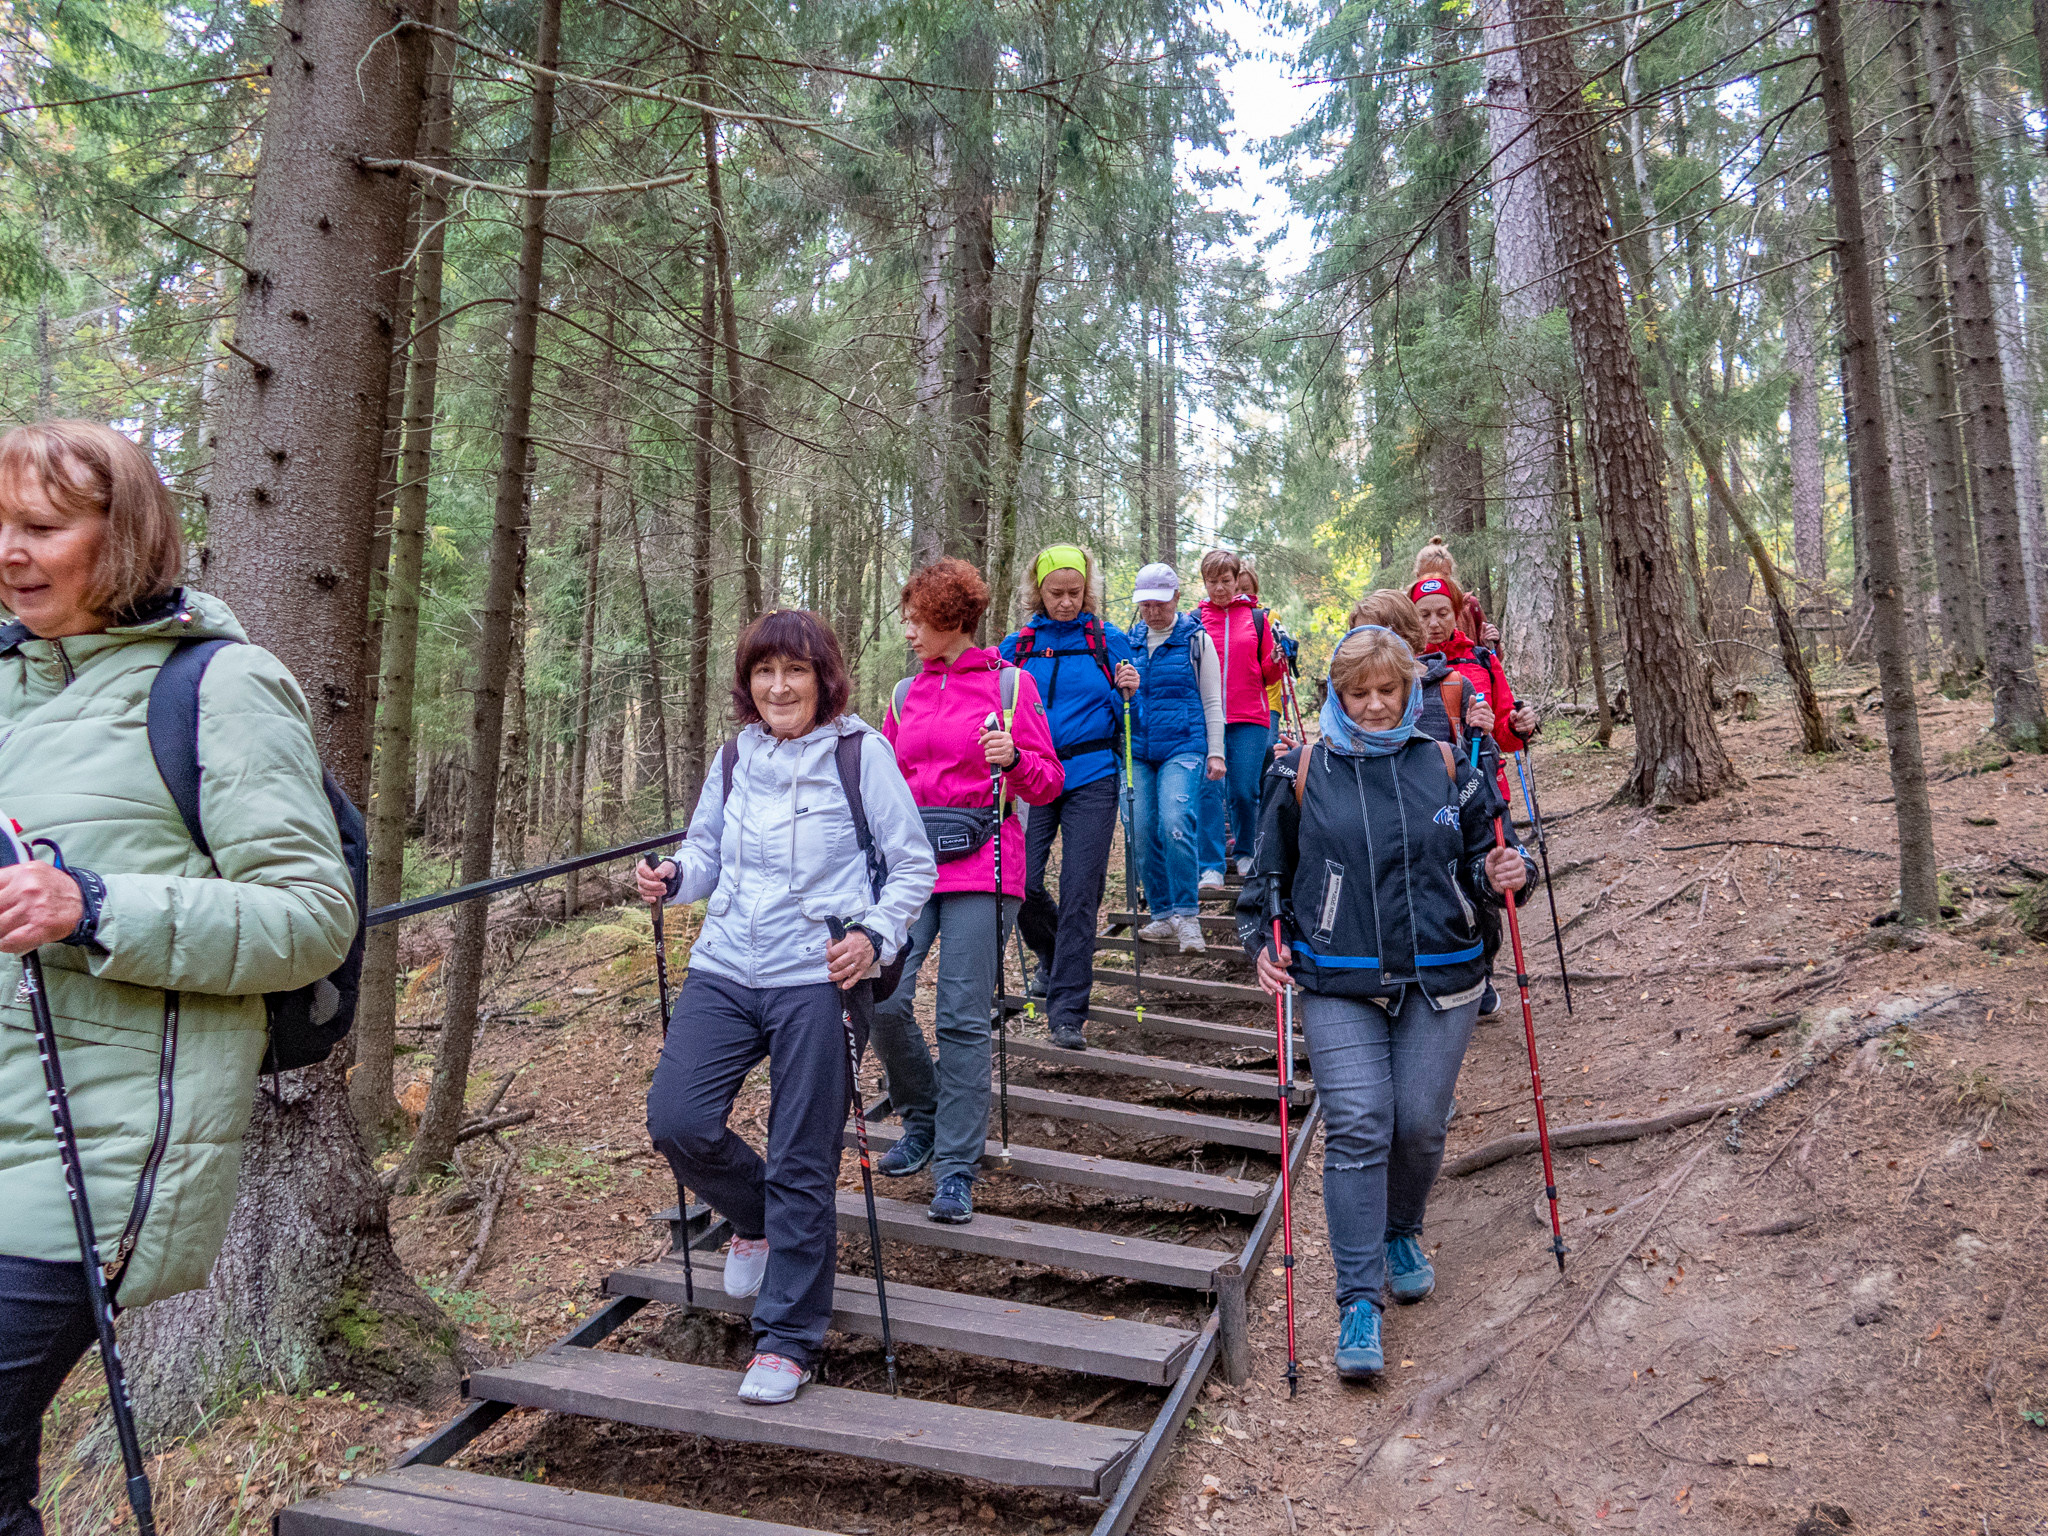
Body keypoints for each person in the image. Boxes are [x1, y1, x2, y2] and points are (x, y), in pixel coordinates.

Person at [0, 420, 359, 1527]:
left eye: (43, 529)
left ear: (125, 538)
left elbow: (312, 920)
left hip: (92, 1165)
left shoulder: (219, 686)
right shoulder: (8, 685)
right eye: (0, 525)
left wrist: (93, 905)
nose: (11, 551)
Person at [640, 609, 936, 1404]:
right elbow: (705, 851)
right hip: (727, 962)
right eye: (765, 672)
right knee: (677, 1119)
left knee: (804, 1154)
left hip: (820, 972)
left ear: (822, 679)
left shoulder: (859, 753)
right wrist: (675, 876)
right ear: (749, 683)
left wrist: (874, 935)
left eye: (795, 672)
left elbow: (913, 865)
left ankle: (787, 1339)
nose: (779, 686)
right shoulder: (734, 756)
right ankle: (757, 1218)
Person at [1237, 625, 1532, 1381]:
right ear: (1336, 695)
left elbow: (1483, 862)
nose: (1372, 705)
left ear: (1410, 692)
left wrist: (1508, 872)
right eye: (1356, 693)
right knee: (1362, 1122)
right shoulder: (1299, 771)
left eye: (1386, 691)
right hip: (1339, 977)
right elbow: (1264, 884)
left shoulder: (1448, 767)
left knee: (1421, 1122)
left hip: (1444, 972)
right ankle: (1358, 1300)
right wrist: (1264, 946)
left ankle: (1404, 1227)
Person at [872, 560, 1062, 1226]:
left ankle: (955, 1167)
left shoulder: (1010, 686)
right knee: (883, 997)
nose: (910, 634)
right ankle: (920, 1116)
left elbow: (1047, 783)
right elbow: (879, 789)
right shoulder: (903, 696)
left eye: (916, 621)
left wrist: (1014, 757)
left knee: (959, 1014)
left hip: (985, 867)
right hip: (912, 868)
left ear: (949, 619)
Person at [999, 544, 1138, 1051]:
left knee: (1081, 891)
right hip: (1035, 777)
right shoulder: (1016, 647)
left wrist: (1132, 690)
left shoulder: (1109, 640)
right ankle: (1055, 957)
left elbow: (1134, 723)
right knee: (1022, 883)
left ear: (1088, 591)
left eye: (1074, 593)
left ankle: (1067, 1012)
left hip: (1093, 775)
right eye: (1055, 593)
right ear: (1037, 591)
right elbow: (991, 708)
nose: (1064, 603)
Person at [1121, 562, 1225, 955]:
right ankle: (1161, 914)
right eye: (1145, 604)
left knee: (1176, 821)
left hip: (1184, 746)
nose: (1152, 611)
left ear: (1177, 598)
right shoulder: (1126, 644)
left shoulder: (1197, 641)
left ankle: (1188, 917)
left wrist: (1216, 752)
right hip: (1137, 751)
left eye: (1159, 603)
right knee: (1140, 829)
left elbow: (1213, 700)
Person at [1196, 549, 1285, 885]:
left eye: (1225, 580)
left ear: (1236, 581)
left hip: (1249, 716)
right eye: (1212, 581)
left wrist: (1276, 658)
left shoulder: (1256, 619)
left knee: (1245, 790)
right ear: (1204, 582)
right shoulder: (1194, 620)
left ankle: (1246, 852)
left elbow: (1269, 675)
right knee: (1209, 791)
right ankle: (1211, 865)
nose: (1219, 588)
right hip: (1206, 718)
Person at [1348, 589, 1478, 749]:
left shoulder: (1452, 687)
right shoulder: (1350, 694)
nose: (1369, 647)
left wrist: (1480, 734)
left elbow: (1477, 766)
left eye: (1377, 636)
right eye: (1360, 638)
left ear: (1408, 633)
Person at [1411, 535, 1500, 647]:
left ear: (1451, 574)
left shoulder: (1469, 606)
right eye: (1429, 576)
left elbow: (1488, 658)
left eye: (1443, 576)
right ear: (1418, 576)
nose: (1437, 581)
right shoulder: (1407, 610)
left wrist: (1490, 642)